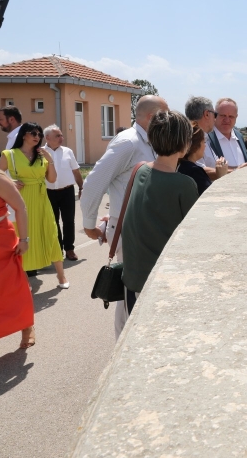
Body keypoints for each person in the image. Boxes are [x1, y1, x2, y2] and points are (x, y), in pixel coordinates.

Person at [81, 95, 168, 335]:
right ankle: (123, 353)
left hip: (140, 229)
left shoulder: (148, 142)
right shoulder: (129, 142)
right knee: (130, 296)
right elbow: (94, 182)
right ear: (152, 117)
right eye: (165, 114)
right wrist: (89, 226)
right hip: (129, 230)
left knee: (136, 295)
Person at [119, 110, 198, 334]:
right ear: (184, 143)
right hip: (161, 284)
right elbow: (193, 237)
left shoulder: (140, 169)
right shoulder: (184, 184)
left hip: (133, 279)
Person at [0, 123, 68, 287]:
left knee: (50, 233)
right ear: (23, 135)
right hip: (20, 199)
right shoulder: (9, 155)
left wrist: (50, 161)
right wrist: (10, 181)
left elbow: (51, 179)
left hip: (41, 199)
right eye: (33, 133)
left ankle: (61, 276)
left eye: (39, 134)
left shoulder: (41, 155)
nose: (37, 136)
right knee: (22, 237)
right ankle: (22, 280)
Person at [0, 164, 35, 349]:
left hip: (0, 239)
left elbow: (20, 207)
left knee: (11, 285)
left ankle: (27, 325)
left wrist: (24, 239)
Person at [43, 124, 83, 261]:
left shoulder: (68, 151)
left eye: (61, 135)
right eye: (58, 136)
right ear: (47, 138)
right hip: (48, 193)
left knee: (68, 221)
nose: (62, 138)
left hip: (67, 191)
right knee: (53, 222)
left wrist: (81, 187)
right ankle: (57, 249)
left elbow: (76, 171)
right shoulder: (40, 153)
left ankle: (69, 249)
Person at [206, 98, 247, 171]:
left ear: (236, 117)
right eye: (223, 115)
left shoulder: (238, 136)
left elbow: (242, 165)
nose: (227, 120)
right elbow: (201, 170)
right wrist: (236, 170)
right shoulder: (206, 137)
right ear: (215, 115)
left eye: (231, 116)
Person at [184, 95, 227, 181]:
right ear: (207, 114)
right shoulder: (192, 139)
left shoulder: (205, 136)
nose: (215, 119)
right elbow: (198, 170)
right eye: (215, 114)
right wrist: (237, 170)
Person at [177, 125, 214, 196]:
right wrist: (221, 175)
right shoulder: (195, 172)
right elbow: (210, 197)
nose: (205, 145)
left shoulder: (180, 166)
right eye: (204, 142)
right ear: (196, 146)